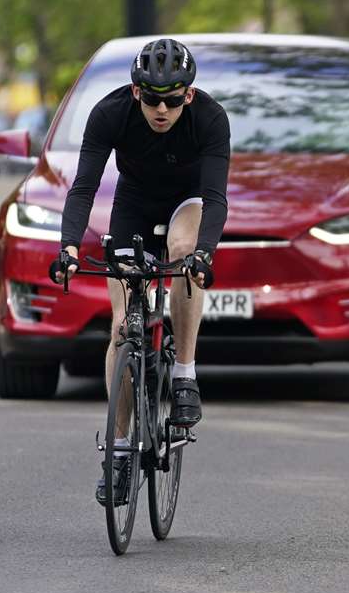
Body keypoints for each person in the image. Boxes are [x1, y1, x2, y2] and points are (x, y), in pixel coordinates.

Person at [53, 38, 230, 507]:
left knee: (182, 249)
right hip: (133, 204)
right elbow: (84, 187)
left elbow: (215, 200)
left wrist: (204, 255)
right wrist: (68, 246)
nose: (161, 109)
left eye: (173, 99)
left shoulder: (210, 119)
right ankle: (118, 451)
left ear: (189, 96)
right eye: (151, 98)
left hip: (187, 202)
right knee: (120, 330)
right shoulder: (109, 113)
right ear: (135, 92)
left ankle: (186, 373)